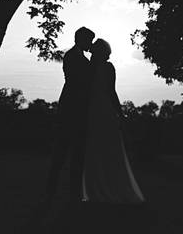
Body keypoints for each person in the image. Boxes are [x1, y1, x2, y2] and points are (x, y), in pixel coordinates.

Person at [82, 38, 145, 204]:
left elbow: (111, 91)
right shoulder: (91, 67)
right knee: (96, 149)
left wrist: (119, 112)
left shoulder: (102, 67)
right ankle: (95, 189)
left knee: (106, 148)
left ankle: (106, 188)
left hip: (101, 109)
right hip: (94, 109)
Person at [45, 26, 95, 202]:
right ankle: (54, 186)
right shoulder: (73, 56)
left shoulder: (78, 56)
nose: (91, 44)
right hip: (72, 106)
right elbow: (78, 80)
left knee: (76, 151)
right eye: (89, 40)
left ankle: (71, 188)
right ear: (81, 39)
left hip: (77, 106)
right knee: (63, 148)